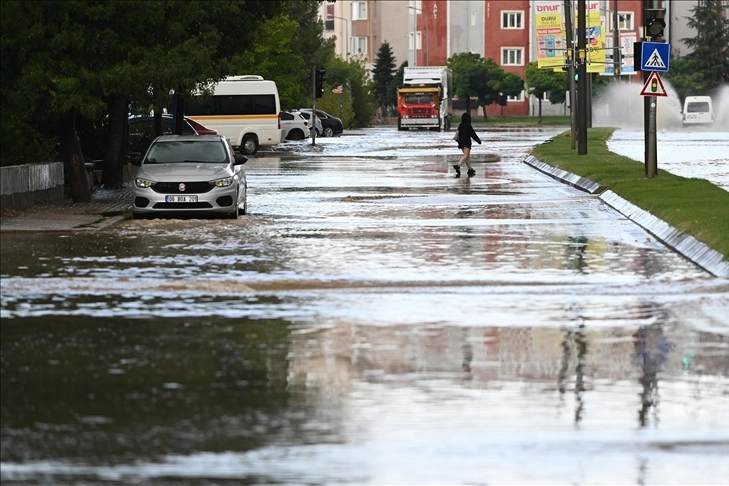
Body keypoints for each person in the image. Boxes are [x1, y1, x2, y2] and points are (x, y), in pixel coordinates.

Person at [453, 112, 481, 177]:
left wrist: (458, 141)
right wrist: (478, 141)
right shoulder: (468, 125)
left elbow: (457, 134)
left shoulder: (461, 125)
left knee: (467, 156)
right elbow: (473, 134)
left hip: (461, 143)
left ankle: (469, 169)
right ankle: (458, 165)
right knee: (466, 155)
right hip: (466, 142)